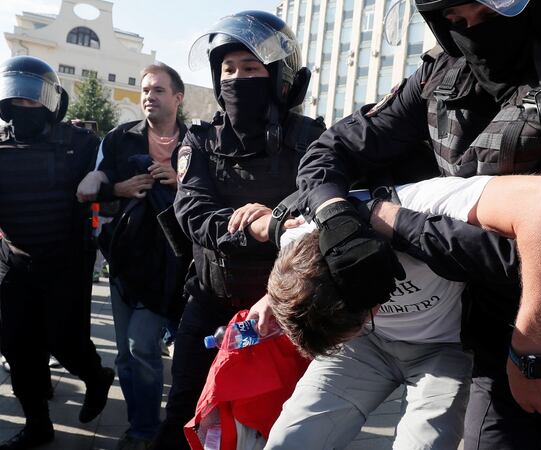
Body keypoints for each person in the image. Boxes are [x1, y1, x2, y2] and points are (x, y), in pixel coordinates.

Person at [294, 1, 541, 448]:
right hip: (495, 347)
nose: (473, 31)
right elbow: (333, 150)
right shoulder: (440, 75)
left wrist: (386, 217)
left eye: (491, 12)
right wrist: (335, 215)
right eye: (457, 20)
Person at [254, 174, 541, 449]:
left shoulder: (424, 202)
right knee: (292, 437)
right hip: (365, 351)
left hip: (444, 349)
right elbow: (284, 256)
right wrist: (272, 297)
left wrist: (534, 354)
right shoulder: (297, 234)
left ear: (373, 304)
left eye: (358, 323)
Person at [148, 11, 325, 450]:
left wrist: (275, 216)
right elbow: (191, 211)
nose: (237, 78)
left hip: (281, 312)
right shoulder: (201, 140)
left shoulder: (311, 138)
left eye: (251, 69)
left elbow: (319, 202)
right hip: (210, 304)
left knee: (272, 423)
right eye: (228, 69)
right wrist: (253, 230)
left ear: (281, 77)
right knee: (185, 411)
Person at [0, 56, 115, 450]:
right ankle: (37, 425)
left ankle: (97, 377)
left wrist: (100, 175)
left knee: (66, 343)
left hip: (66, 261)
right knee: (18, 347)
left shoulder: (79, 142)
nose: (24, 108)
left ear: (51, 102)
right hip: (15, 260)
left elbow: (112, 174)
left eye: (33, 101)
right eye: (16, 101)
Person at [76, 62, 189, 450]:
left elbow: (216, 192)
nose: (148, 97)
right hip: (125, 260)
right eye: (144, 90)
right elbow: (99, 183)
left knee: (143, 344)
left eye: (158, 90)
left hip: (174, 264)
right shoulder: (121, 137)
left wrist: (180, 181)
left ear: (177, 97)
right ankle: (141, 422)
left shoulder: (199, 142)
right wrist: (116, 187)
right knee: (125, 352)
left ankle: (146, 430)